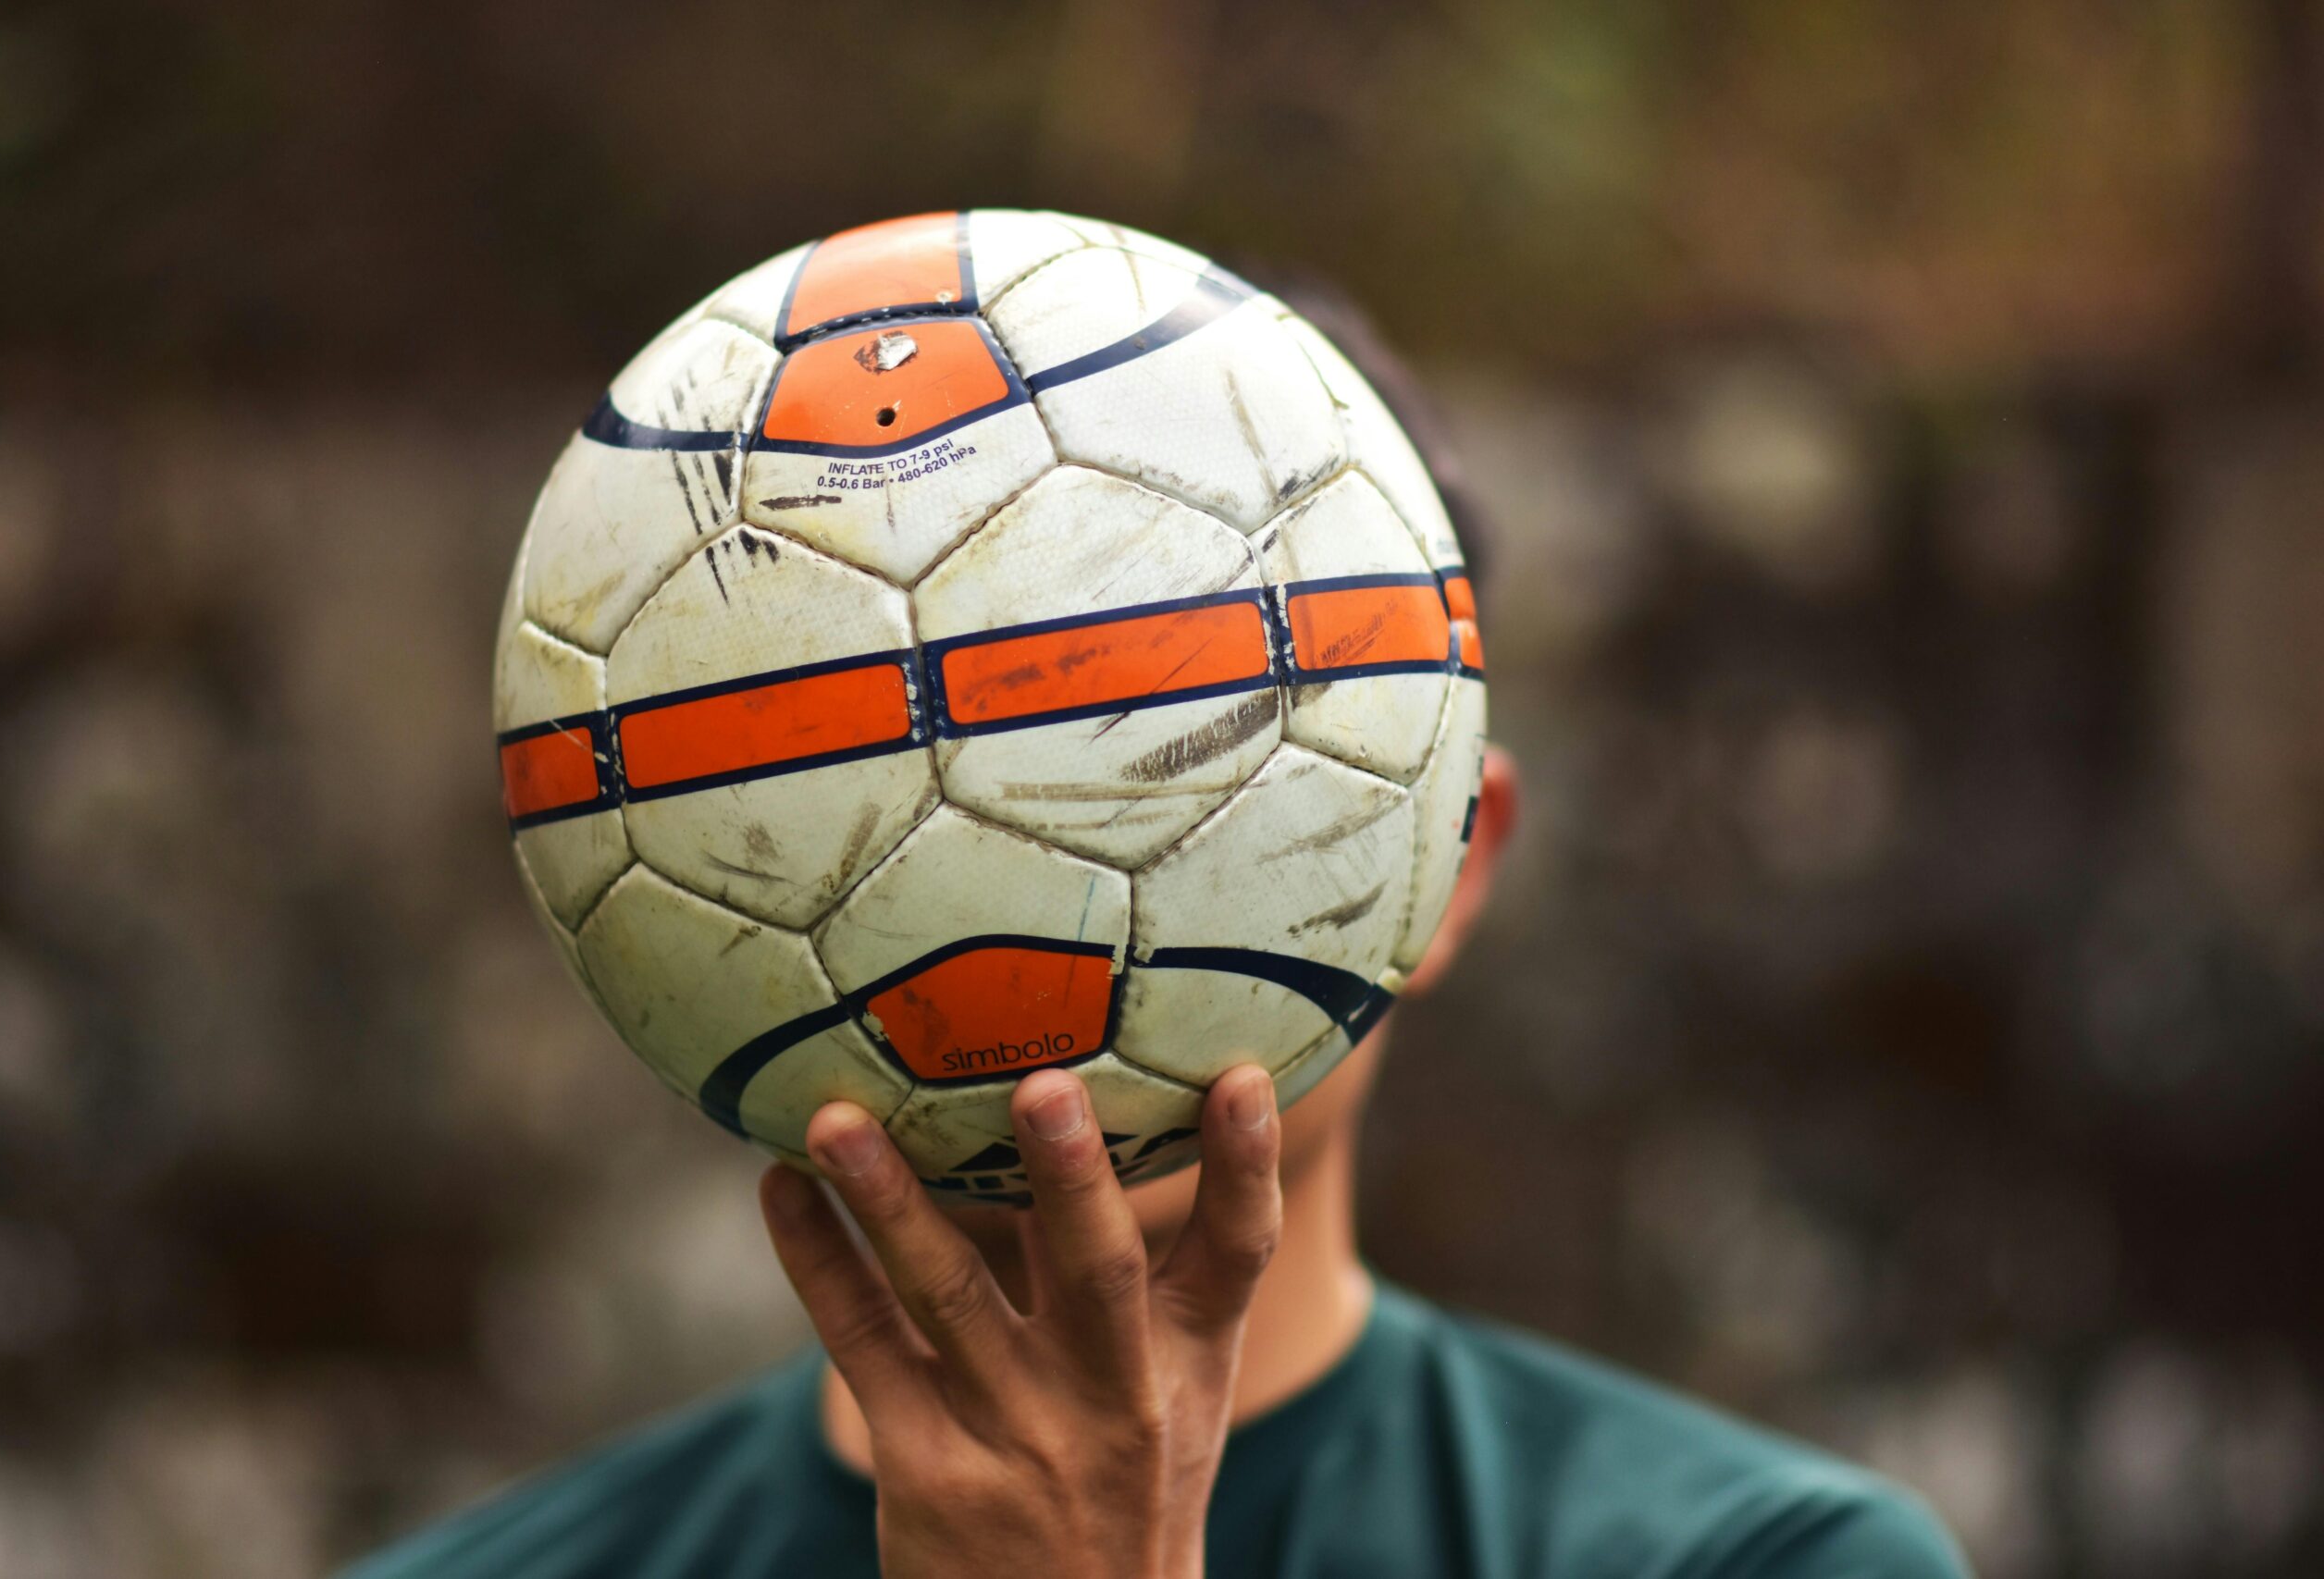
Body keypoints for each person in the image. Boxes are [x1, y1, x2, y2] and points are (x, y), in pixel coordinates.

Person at [346, 284, 1971, 1579]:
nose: (1014, 824)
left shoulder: (1766, 1564)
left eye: (1165, 724)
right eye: (905, 729)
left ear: (1456, 861)